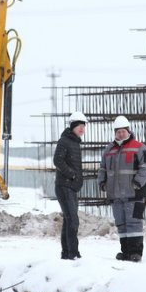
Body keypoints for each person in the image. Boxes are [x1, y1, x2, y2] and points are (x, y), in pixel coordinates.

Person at [98, 115, 146, 262]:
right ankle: (126, 252)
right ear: (115, 132)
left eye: (123, 131)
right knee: (121, 224)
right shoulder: (109, 150)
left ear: (128, 131)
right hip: (116, 196)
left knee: (134, 223)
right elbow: (102, 169)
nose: (120, 134)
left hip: (134, 194)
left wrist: (137, 183)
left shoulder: (139, 147)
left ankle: (136, 253)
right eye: (118, 131)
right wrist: (102, 182)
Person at [54, 111, 87, 260]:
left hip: (72, 187)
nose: (82, 129)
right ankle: (73, 253)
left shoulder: (74, 142)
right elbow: (57, 161)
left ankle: (66, 253)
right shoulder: (64, 141)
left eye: (83, 126)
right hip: (64, 186)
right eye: (79, 126)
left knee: (69, 220)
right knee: (73, 220)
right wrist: (72, 175)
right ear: (73, 126)